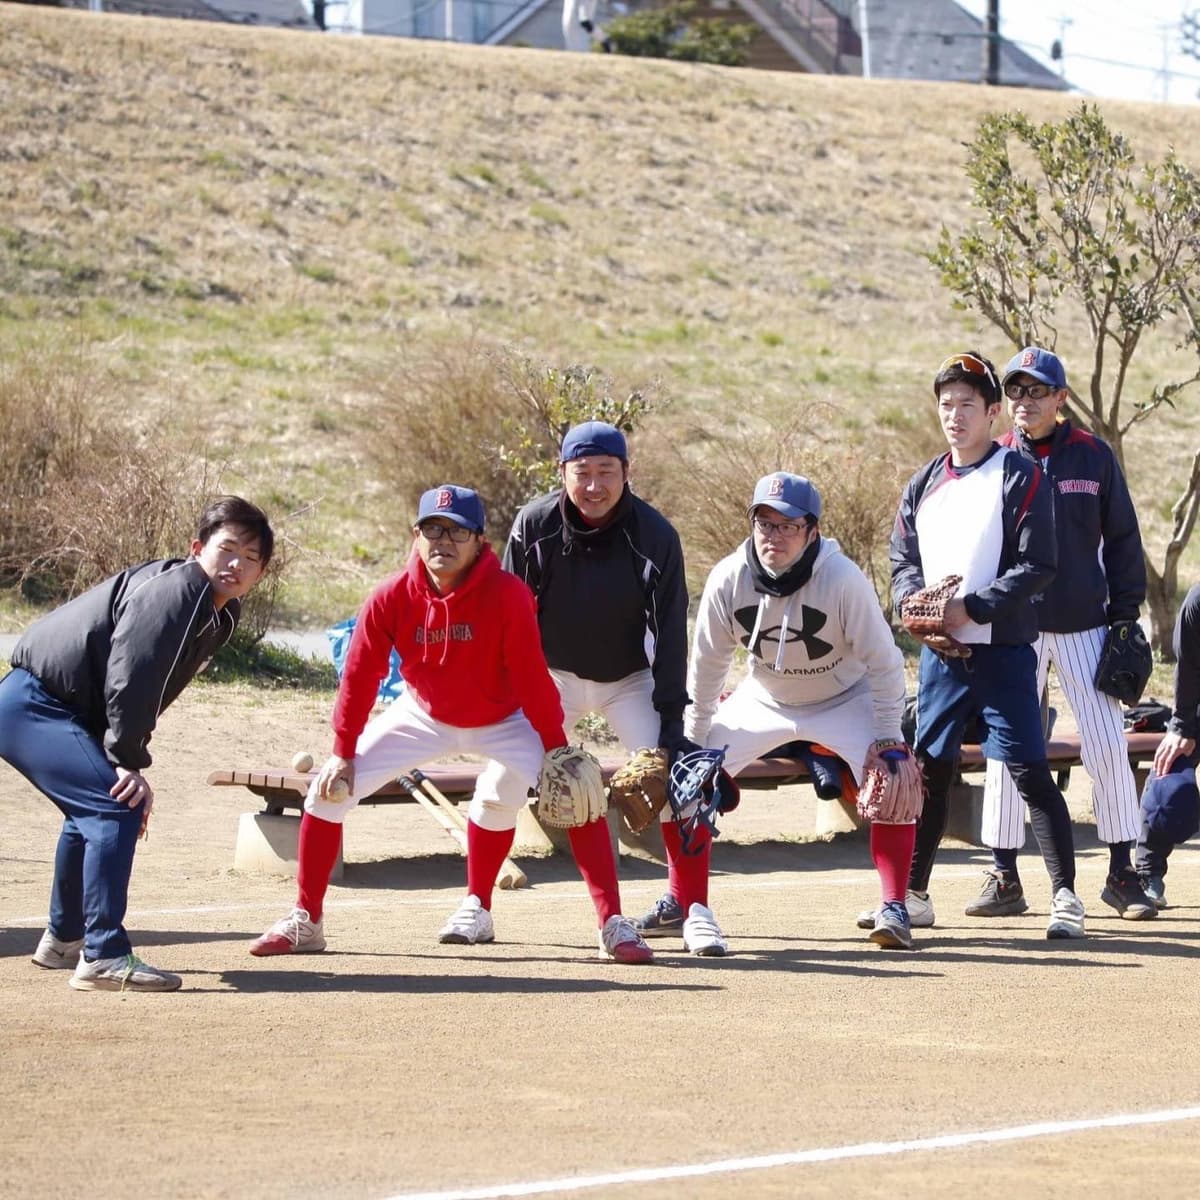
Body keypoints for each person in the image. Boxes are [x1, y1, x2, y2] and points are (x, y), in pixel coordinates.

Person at [249, 484, 654, 964]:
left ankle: (611, 923)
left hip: (505, 717)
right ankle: (306, 920)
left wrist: (555, 750)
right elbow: (360, 676)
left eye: (457, 531)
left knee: (580, 792)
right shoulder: (390, 597)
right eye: (432, 529)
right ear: (415, 535)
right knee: (327, 791)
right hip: (424, 714)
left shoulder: (507, 595)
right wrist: (342, 749)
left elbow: (530, 677)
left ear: (480, 541)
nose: (443, 540)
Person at [636, 471, 919, 951]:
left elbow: (886, 662)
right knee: (685, 777)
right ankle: (683, 900)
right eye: (765, 523)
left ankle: (894, 905)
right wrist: (693, 739)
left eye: (789, 525)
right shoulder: (730, 577)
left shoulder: (842, 578)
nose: (775, 536)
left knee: (893, 780)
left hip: (845, 698)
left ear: (812, 531)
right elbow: (706, 668)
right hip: (763, 698)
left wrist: (889, 735)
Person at [0, 496, 274, 992]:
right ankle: (103, 953)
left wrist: (115, 756)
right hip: (35, 704)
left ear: (261, 571)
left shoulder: (218, 611)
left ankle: (65, 939)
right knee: (116, 806)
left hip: (46, 705)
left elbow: (144, 682)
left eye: (251, 558)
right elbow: (134, 676)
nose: (237, 564)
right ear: (197, 548)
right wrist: (126, 762)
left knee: (92, 811)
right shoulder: (180, 590)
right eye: (227, 548)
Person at [886, 351, 1086, 939]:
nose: (955, 416)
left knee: (1028, 768)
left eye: (967, 405)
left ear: (992, 411)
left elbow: (1038, 564)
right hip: (941, 657)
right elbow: (903, 559)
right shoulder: (923, 481)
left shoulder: (1020, 475)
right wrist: (916, 609)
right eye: (946, 405)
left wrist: (967, 609)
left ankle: (1066, 897)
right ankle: (914, 895)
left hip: (1002, 650)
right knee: (929, 769)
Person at [483, 421, 686, 950]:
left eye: (606, 472)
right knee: (500, 783)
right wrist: (509, 700)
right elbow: (510, 619)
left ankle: (689, 906)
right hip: (552, 677)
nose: (594, 485)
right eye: (582, 473)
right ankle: (474, 907)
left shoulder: (655, 535)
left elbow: (670, 632)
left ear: (627, 473)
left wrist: (670, 726)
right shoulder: (535, 525)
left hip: (629, 680)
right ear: (562, 473)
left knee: (677, 788)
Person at [976, 347, 1155, 921]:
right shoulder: (994, 458)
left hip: (1085, 624)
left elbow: (1124, 541)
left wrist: (1125, 616)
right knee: (1008, 753)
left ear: (1062, 399)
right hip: (1013, 630)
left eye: (1037, 391)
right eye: (1016, 392)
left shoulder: (1093, 457)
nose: (1024, 402)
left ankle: (1123, 871)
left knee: (1106, 746)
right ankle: (1004, 875)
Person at [1135, 583, 1200, 907]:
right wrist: (1182, 727)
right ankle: (1147, 872)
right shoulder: (1197, 601)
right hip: (1198, 707)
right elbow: (1187, 668)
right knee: (1168, 767)